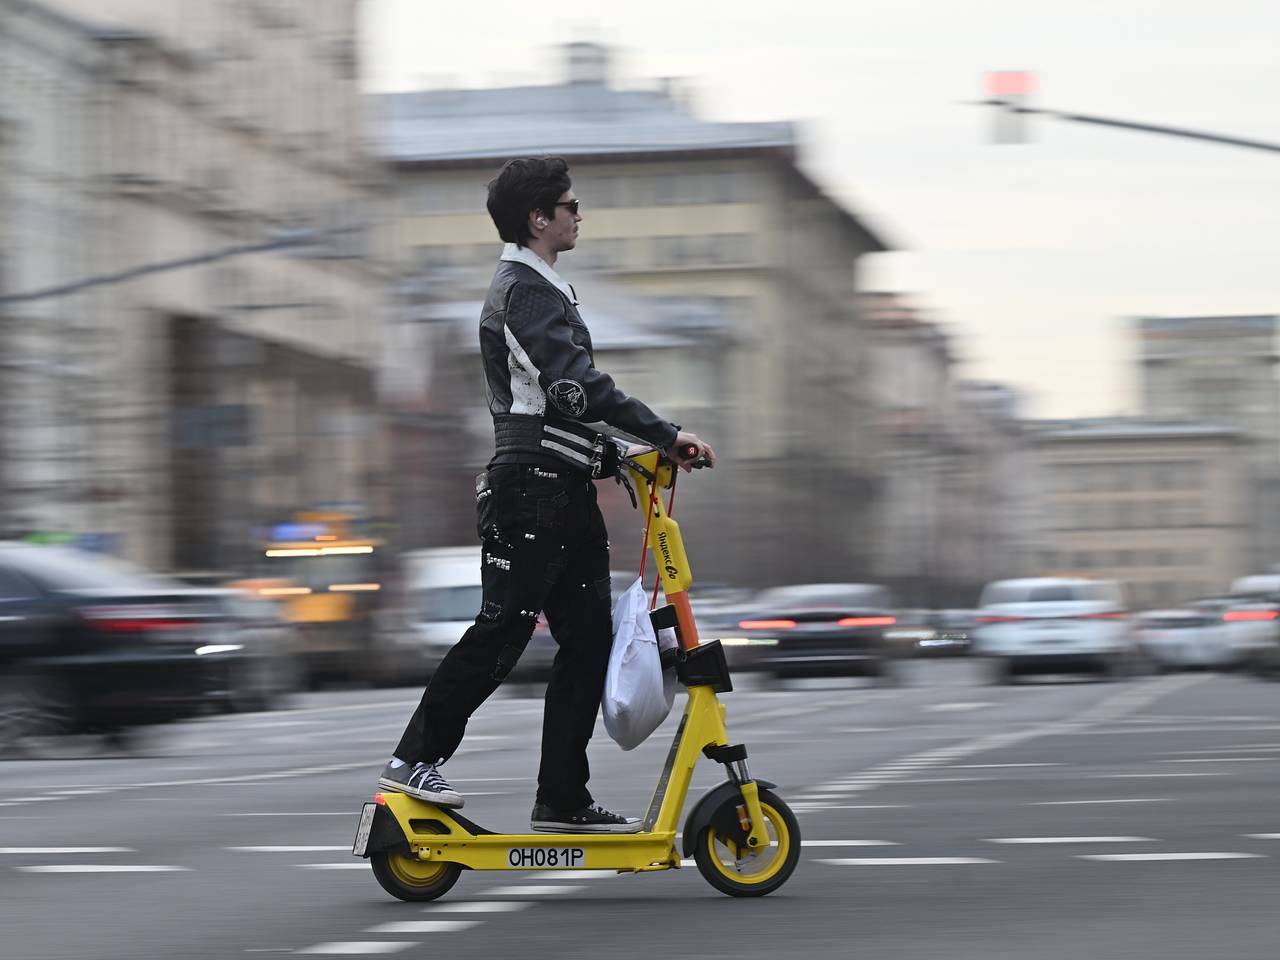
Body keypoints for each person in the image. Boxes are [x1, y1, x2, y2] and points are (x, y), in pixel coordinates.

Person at [378, 157, 715, 833]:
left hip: (562, 490)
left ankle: (561, 796)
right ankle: (413, 758)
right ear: (539, 218)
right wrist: (664, 432)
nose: (578, 214)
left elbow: (558, 409)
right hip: (531, 493)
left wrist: (622, 455)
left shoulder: (543, 288)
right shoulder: (525, 291)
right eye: (570, 205)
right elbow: (575, 389)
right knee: (503, 629)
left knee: (588, 641)